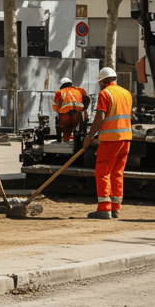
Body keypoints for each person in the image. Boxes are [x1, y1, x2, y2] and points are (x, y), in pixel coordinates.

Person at [80, 66, 132, 219]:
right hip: (126, 138)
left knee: (103, 172)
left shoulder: (105, 93)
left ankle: (104, 208)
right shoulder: (126, 93)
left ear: (102, 82)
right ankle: (115, 208)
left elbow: (100, 118)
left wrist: (89, 137)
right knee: (117, 173)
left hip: (111, 139)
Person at [51, 77, 89, 141]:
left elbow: (55, 106)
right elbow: (87, 99)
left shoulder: (59, 92)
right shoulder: (80, 90)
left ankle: (65, 142)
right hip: (77, 114)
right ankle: (79, 140)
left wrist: (60, 113)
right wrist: (84, 109)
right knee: (79, 132)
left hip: (66, 116)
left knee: (66, 132)